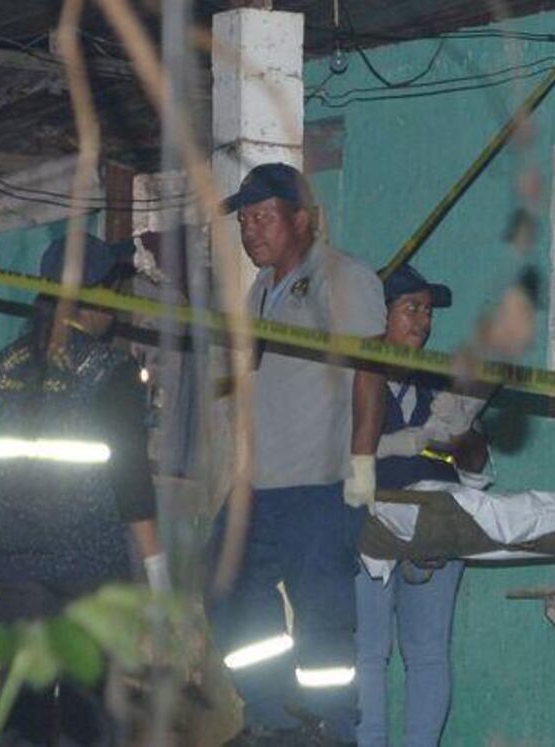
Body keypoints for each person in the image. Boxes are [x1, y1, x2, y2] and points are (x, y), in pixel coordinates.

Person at [207, 163, 385, 746]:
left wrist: (361, 464)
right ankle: (274, 716)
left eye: (262, 217)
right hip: (259, 484)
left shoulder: (343, 277)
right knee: (225, 587)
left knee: (323, 620)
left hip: (318, 483)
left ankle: (329, 729)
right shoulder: (261, 289)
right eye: (243, 221)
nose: (250, 231)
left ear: (302, 219)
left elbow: (370, 372)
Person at [0, 234, 167, 746]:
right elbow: (131, 480)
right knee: (91, 702)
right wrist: (156, 570)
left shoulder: (0, 368)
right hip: (88, 562)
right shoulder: (109, 371)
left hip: (12, 561)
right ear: (98, 297)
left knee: (25, 694)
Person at [354, 264, 490, 747]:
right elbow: (335, 455)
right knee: (368, 653)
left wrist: (463, 436)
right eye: (411, 309)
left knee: (429, 652)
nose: (423, 322)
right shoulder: (352, 377)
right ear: (378, 314)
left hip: (435, 522)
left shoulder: (437, 383)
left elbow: (477, 469)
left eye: (428, 312)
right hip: (367, 524)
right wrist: (403, 443)